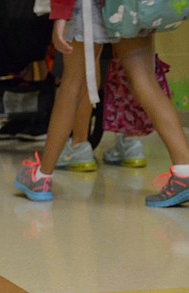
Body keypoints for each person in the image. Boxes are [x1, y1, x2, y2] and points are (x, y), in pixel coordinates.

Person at [14, 0, 189, 207]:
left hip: (86, 7)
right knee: (145, 80)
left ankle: (41, 177)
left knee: (72, 86)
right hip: (131, 6)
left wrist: (61, 13)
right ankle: (184, 171)